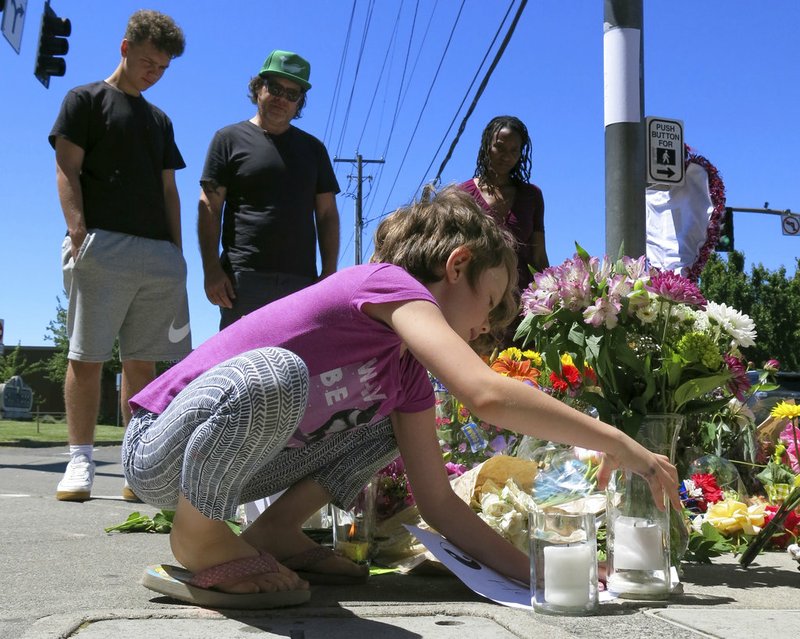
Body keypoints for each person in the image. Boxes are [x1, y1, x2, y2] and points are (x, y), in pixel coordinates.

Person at [122, 185, 679, 609]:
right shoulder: (386, 283)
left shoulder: (405, 376)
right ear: (457, 265)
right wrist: (618, 441)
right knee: (278, 375)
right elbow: (485, 394)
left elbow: (438, 502)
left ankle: (274, 533)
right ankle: (200, 540)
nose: (487, 327)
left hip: (236, 472)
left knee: (392, 424)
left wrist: (537, 569)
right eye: (490, 301)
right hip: (162, 448)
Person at [49, 10, 191, 502]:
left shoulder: (159, 119)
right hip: (101, 245)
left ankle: (137, 469)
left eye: (163, 68)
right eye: (148, 61)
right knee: (85, 356)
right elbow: (67, 166)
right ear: (125, 48)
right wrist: (77, 229)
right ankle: (80, 461)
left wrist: (178, 251)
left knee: (144, 364)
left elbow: (168, 188)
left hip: (158, 255)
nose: (154, 73)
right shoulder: (85, 100)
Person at [198, 49, 340, 330]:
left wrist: (329, 273)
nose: (282, 99)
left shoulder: (314, 150)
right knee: (241, 369)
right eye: (275, 88)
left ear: (299, 102)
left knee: (297, 368)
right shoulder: (227, 139)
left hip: (301, 282)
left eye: (292, 94)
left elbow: (327, 215)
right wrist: (212, 269)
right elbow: (210, 208)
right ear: (258, 88)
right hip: (242, 280)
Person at [460, 115, 549, 293]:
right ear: (487, 146)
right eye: (499, 147)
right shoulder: (462, 194)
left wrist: (552, 297)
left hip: (521, 301)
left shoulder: (532, 196)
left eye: (513, 151)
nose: (506, 156)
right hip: (475, 297)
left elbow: (538, 256)